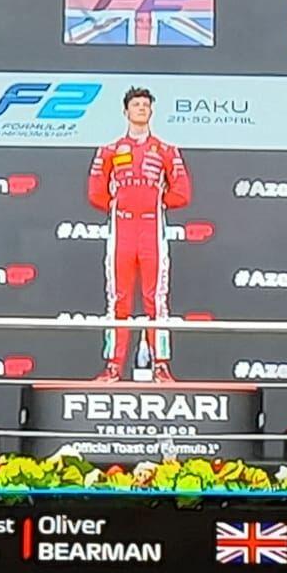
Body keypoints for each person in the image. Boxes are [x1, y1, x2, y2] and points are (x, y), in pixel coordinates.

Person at [88, 86, 192, 382]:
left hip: (151, 229)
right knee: (118, 299)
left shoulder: (166, 150)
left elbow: (182, 193)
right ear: (126, 111)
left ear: (152, 111)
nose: (142, 109)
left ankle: (161, 366)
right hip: (122, 229)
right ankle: (113, 366)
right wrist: (120, 205)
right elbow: (95, 192)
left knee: (155, 300)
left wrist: (154, 203)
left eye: (146, 105)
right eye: (136, 105)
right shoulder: (109, 150)